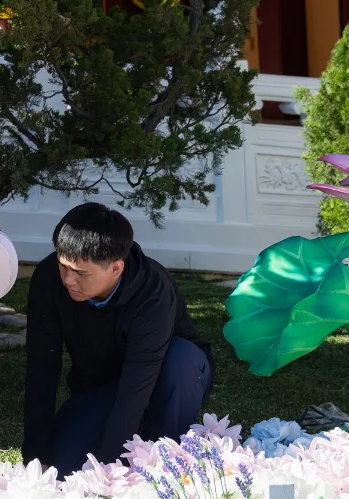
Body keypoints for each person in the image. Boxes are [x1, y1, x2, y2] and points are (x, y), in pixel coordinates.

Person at [22, 203, 213, 476]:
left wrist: (108, 471)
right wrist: (35, 453)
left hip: (167, 378)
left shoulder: (153, 292)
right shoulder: (48, 278)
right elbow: (42, 366)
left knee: (181, 358)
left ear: (116, 268)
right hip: (101, 386)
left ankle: (162, 457)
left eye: (81, 273)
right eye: (63, 266)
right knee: (62, 469)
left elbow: (137, 385)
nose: (68, 280)